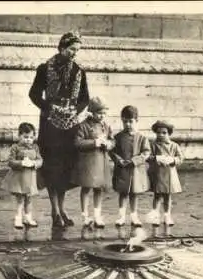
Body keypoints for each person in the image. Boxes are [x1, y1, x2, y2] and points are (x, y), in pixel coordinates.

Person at [29, 31, 90, 227]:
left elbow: (85, 99)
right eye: (72, 49)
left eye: (77, 50)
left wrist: (74, 110)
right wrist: (50, 107)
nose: (74, 53)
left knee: (65, 169)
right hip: (50, 126)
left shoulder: (79, 72)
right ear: (62, 48)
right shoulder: (45, 69)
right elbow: (34, 94)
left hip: (70, 126)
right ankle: (54, 211)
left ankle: (62, 210)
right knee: (52, 167)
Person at [71, 97, 114, 228]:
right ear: (91, 112)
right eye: (99, 113)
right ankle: (85, 216)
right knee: (86, 188)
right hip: (88, 163)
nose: (101, 116)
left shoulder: (106, 126)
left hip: (101, 162)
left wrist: (109, 144)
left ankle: (97, 215)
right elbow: (77, 143)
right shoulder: (83, 125)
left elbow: (112, 140)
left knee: (99, 189)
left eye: (104, 113)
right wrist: (94, 143)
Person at [109, 105, 151, 228]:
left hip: (136, 171)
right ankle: (121, 216)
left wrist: (135, 160)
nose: (128, 124)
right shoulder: (118, 137)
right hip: (122, 170)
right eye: (125, 121)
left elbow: (146, 152)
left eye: (131, 121)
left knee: (134, 194)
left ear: (136, 121)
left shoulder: (142, 138)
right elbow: (112, 151)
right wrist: (119, 160)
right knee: (123, 193)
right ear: (122, 120)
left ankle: (134, 216)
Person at [0, 122, 43, 229]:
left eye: (31, 137)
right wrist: (21, 163)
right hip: (20, 178)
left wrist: (34, 163)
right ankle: (18, 218)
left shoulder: (35, 147)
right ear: (19, 136)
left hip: (31, 177)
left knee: (29, 199)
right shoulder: (16, 147)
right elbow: (10, 161)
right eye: (25, 137)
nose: (28, 139)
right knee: (20, 200)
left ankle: (28, 217)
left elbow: (40, 160)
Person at [145, 120, 184, 236]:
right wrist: (156, 158)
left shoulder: (174, 146)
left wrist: (173, 160)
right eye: (158, 133)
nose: (161, 135)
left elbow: (181, 158)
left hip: (170, 174)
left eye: (164, 132)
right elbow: (147, 156)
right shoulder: (153, 145)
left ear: (169, 133)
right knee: (157, 195)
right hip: (157, 173)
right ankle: (156, 215)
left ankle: (167, 215)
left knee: (168, 196)